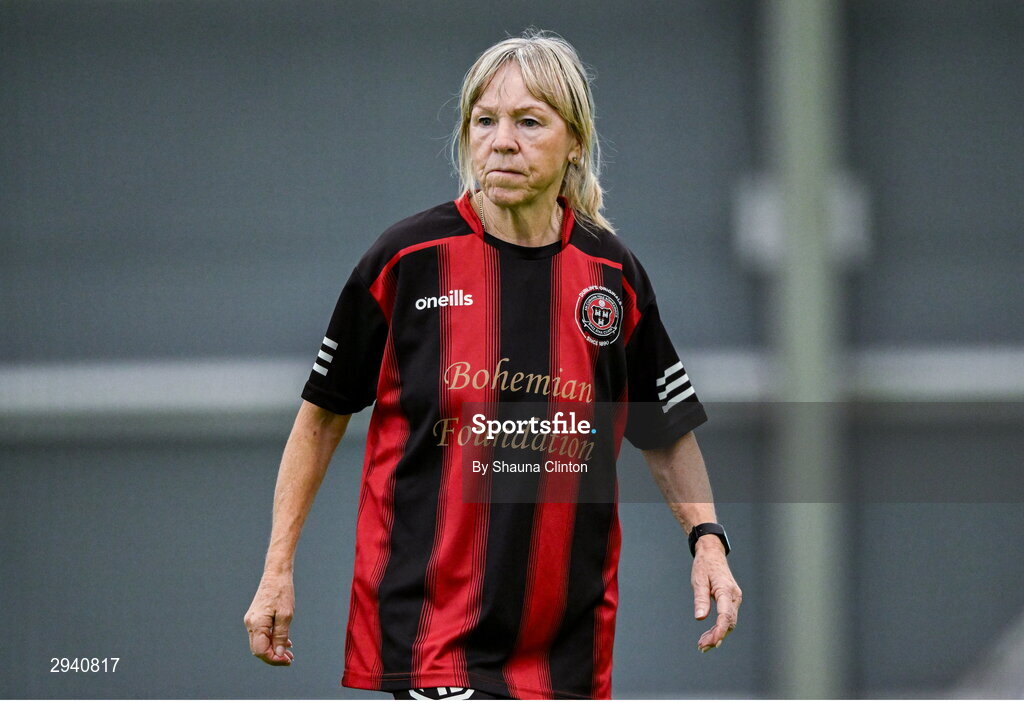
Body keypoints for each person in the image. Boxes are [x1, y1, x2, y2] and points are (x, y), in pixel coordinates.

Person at [245, 29, 741, 700]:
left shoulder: (612, 275)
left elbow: (664, 429)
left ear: (575, 141)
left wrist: (707, 541)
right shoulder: (406, 260)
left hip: (568, 644)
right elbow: (319, 420)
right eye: (485, 121)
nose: (502, 141)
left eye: (529, 122)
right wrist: (277, 569)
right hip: (433, 635)